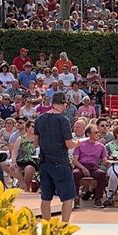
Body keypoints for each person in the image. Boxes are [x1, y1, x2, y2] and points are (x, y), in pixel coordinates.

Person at [34, 92, 80, 222]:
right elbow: (69, 144)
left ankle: (46, 226)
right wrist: (77, 143)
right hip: (60, 162)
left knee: (46, 197)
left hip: (44, 163)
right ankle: (63, 226)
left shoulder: (40, 119)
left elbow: (36, 142)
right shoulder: (63, 120)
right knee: (67, 197)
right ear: (64, 104)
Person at [72, 124, 108, 209]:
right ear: (88, 134)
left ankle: (98, 198)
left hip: (93, 167)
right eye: (95, 132)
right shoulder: (80, 144)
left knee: (102, 174)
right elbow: (74, 160)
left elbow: (105, 161)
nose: (98, 134)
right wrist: (83, 168)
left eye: (98, 132)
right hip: (81, 166)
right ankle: (76, 198)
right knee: (75, 174)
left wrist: (108, 162)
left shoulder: (101, 146)